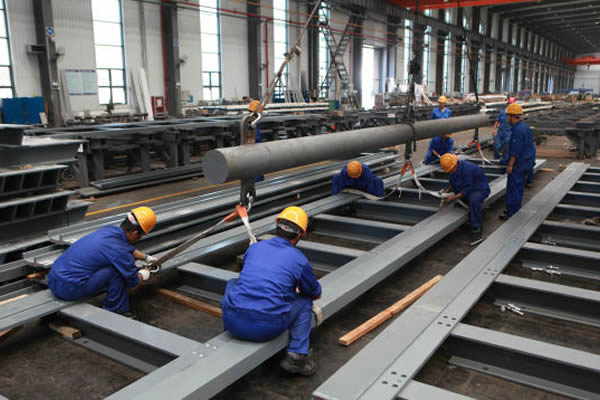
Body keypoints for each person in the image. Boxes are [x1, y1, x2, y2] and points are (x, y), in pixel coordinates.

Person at [221, 206, 322, 376]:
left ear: (276, 227)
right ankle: (296, 357)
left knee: (233, 283)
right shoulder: (299, 259)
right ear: (299, 235)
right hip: (266, 328)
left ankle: (233, 320)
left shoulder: (255, 248)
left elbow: (251, 274)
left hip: (232, 323)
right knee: (305, 302)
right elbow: (315, 293)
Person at [48, 207, 158, 314]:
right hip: (68, 289)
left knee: (112, 264)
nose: (139, 239)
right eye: (140, 236)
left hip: (53, 278)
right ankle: (116, 310)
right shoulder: (120, 252)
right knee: (116, 272)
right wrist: (143, 274)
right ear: (134, 233)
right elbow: (133, 283)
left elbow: (127, 248)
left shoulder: (109, 230)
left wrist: (146, 257)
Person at [500, 103, 536, 220]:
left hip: (519, 164)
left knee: (513, 188)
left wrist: (510, 165)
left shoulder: (517, 130)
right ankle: (516, 208)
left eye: (508, 116)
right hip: (527, 162)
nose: (507, 118)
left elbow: (516, 150)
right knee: (519, 187)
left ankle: (511, 212)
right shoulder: (524, 127)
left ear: (512, 116)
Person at [440, 154, 490, 235]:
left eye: (450, 170)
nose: (449, 172)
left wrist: (453, 197)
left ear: (455, 165)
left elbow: (467, 189)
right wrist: (447, 192)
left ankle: (477, 225)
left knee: (474, 200)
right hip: (466, 187)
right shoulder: (453, 168)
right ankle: (472, 209)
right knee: (460, 198)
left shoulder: (467, 170)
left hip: (479, 188)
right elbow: (453, 183)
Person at [493, 96, 517, 161]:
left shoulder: (515, 114)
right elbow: (497, 120)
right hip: (500, 131)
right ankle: (496, 157)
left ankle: (504, 159)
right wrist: (494, 129)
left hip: (509, 132)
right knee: (496, 145)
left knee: (507, 145)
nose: (510, 105)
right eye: (509, 104)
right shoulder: (502, 112)